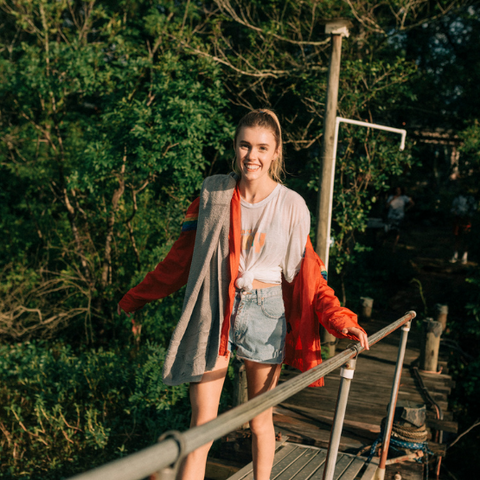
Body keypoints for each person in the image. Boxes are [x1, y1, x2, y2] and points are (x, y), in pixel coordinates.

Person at [118, 109, 369, 480]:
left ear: (276, 152)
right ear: (235, 147)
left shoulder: (291, 205)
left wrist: (339, 318)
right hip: (216, 306)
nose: (252, 156)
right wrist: (135, 298)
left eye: (262, 148)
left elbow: (310, 277)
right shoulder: (214, 193)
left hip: (266, 312)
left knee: (259, 419)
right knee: (201, 424)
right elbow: (180, 261)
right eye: (245, 145)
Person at [450, 192, 477, 264]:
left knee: (466, 238)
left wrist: (469, 216)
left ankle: (465, 256)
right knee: (457, 238)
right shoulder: (458, 197)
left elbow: (473, 209)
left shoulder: (471, 199)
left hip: (467, 220)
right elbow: (453, 208)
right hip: (458, 219)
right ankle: (455, 255)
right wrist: (455, 212)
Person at [385, 186, 415, 251]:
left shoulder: (404, 198)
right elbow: (386, 206)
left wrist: (406, 209)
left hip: (399, 217)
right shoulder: (391, 197)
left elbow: (412, 203)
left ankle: (394, 246)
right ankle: (385, 244)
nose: (397, 192)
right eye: (396, 190)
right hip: (391, 216)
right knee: (388, 230)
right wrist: (392, 199)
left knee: (397, 231)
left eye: (399, 190)